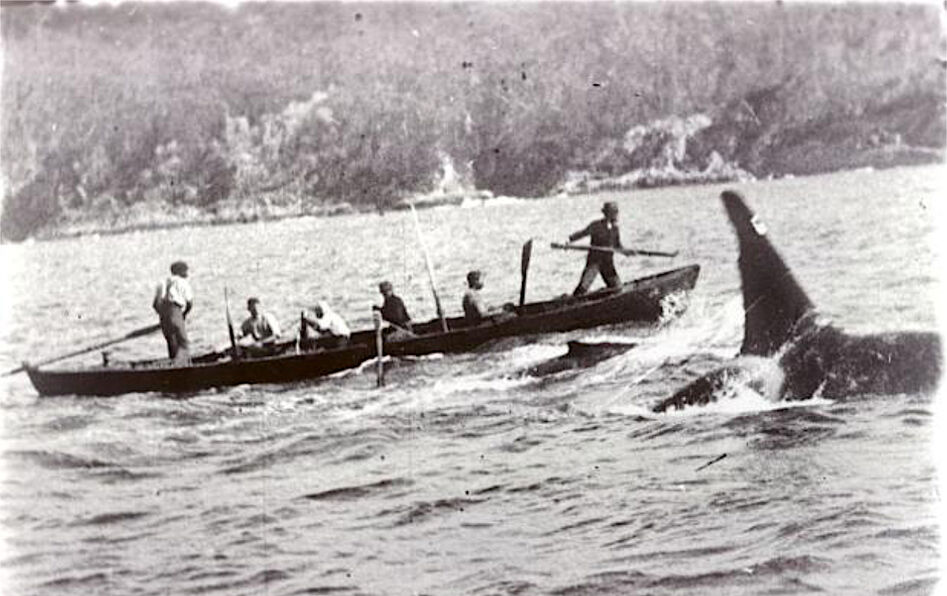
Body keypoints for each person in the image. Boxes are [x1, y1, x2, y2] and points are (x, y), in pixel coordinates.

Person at [567, 201, 626, 296]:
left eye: (616, 212)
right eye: (614, 212)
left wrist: (627, 252)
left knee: (617, 288)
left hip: (608, 264)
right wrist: (569, 240)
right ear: (608, 213)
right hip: (595, 262)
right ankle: (572, 302)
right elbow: (582, 233)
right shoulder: (596, 225)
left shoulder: (615, 229)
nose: (616, 215)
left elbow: (618, 246)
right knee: (582, 288)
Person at [152, 260, 193, 365]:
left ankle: (174, 366)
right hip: (175, 311)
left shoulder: (162, 283)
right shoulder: (183, 282)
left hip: (163, 315)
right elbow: (189, 303)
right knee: (183, 344)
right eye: (186, 271)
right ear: (180, 271)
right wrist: (183, 315)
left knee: (172, 343)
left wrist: (164, 314)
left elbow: (155, 304)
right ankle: (182, 367)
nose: (187, 273)